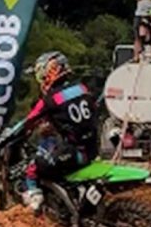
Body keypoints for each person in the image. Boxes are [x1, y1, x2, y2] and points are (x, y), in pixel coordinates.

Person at [16, 51, 98, 212]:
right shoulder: (82, 88)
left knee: (32, 167)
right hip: (93, 148)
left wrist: (16, 133)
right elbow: (94, 109)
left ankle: (34, 203)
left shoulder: (50, 99)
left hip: (72, 154)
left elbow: (29, 121)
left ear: (49, 72)